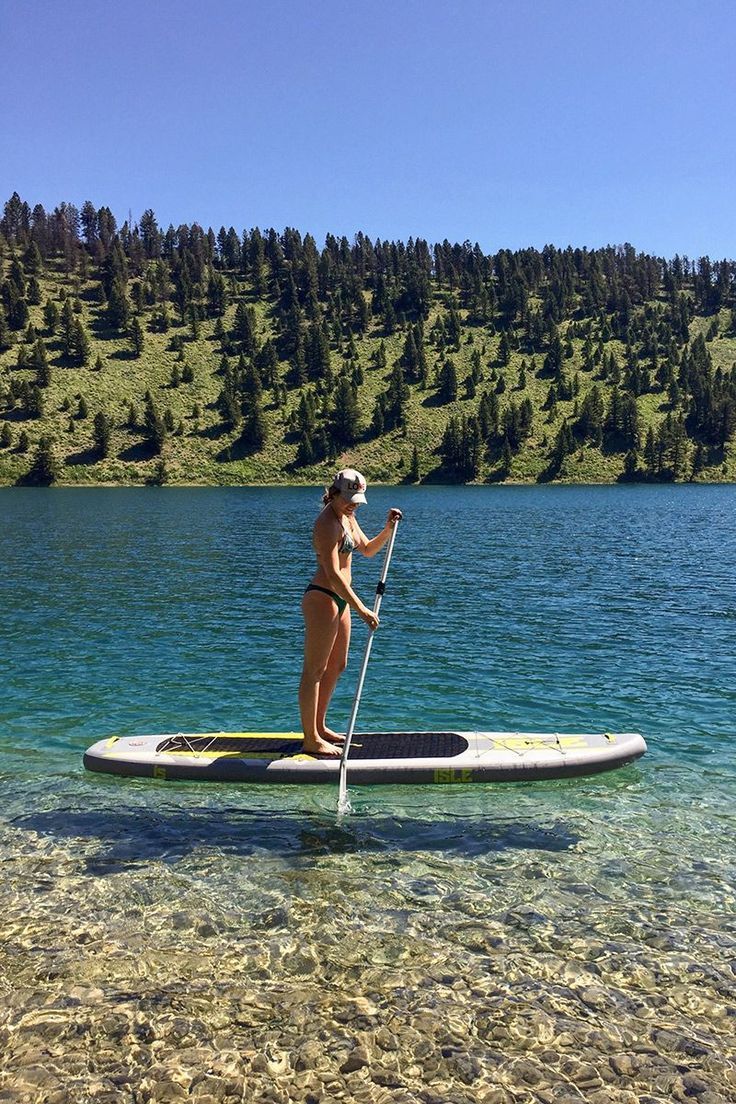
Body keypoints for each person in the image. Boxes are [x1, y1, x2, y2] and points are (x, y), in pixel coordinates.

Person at [299, 468, 402, 757]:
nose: (353, 504)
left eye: (357, 501)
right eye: (349, 499)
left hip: (342, 598)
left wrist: (388, 529)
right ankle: (310, 738)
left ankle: (320, 726)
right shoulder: (326, 524)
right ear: (333, 494)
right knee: (314, 670)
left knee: (337, 665)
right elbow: (333, 574)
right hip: (323, 597)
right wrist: (361, 609)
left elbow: (367, 550)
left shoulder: (348, 518)